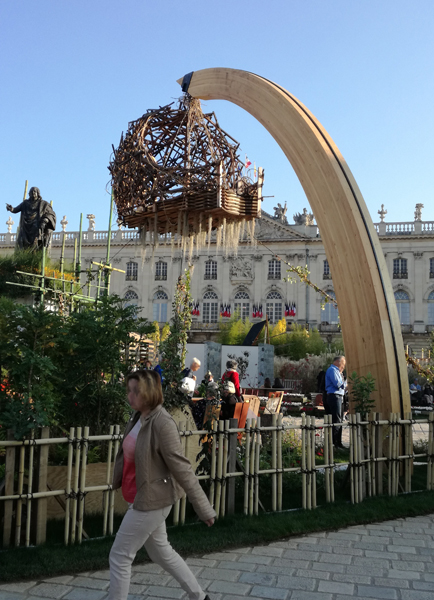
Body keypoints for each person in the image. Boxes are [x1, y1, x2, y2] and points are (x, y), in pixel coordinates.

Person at [109, 369, 215, 600]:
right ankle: (200, 597)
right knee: (162, 553)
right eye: (129, 390)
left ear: (148, 393)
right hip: (140, 496)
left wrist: (203, 507)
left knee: (120, 556)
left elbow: (182, 467)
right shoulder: (138, 418)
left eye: (136, 391)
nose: (130, 395)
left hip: (151, 500)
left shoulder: (162, 423)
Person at [325, 356, 347, 448]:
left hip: (338, 396)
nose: (343, 366)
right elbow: (338, 384)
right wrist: (346, 382)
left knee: (339, 419)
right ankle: (335, 443)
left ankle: (338, 442)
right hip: (335, 396)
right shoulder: (332, 370)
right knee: (336, 419)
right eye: (343, 364)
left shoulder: (336, 371)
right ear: (338, 362)